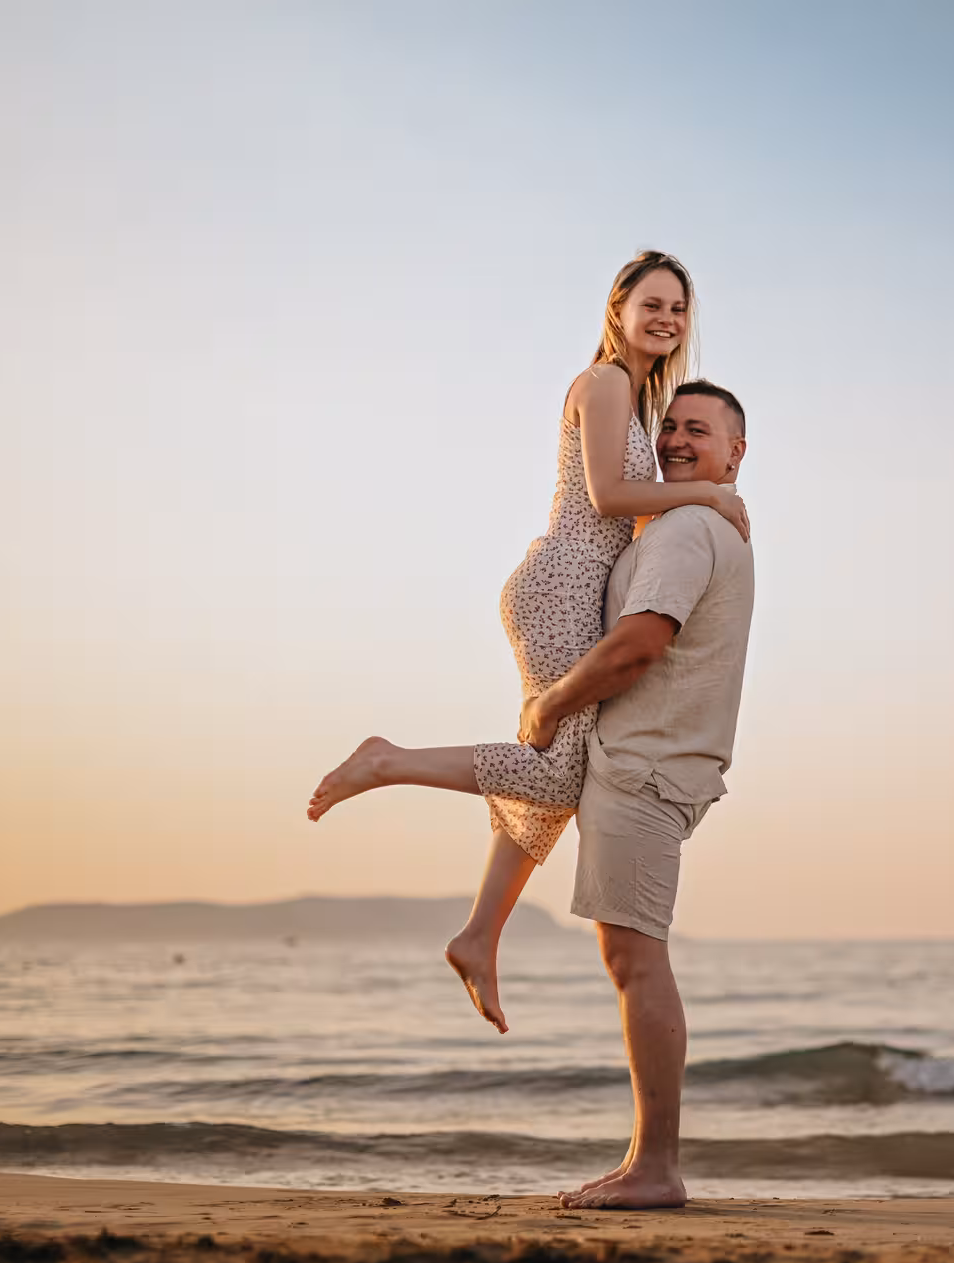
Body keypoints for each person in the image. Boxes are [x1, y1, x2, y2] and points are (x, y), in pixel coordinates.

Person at [305, 253, 748, 1035]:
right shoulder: (607, 383)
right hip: (566, 585)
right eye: (653, 303)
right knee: (561, 767)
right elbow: (611, 497)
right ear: (619, 309)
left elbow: (625, 504)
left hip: (573, 585)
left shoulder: (638, 399)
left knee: (560, 774)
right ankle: (386, 762)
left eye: (679, 308)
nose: (668, 319)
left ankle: (479, 934)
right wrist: (709, 491)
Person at [520, 381, 755, 1210]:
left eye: (700, 430)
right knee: (632, 957)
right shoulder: (695, 521)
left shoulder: (689, 528)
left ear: (736, 451)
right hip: (660, 761)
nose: (678, 441)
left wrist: (549, 705)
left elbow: (639, 645)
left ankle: (656, 1167)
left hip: (647, 764)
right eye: (670, 429)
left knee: (635, 959)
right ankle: (644, 1159)